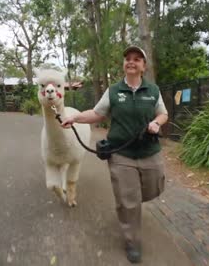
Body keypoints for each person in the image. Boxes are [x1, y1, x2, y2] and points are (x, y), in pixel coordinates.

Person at [61, 46, 168, 264]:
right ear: (124, 64)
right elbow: (97, 113)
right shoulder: (113, 91)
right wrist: (75, 118)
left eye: (137, 59)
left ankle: (133, 202)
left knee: (155, 185)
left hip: (150, 151)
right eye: (128, 59)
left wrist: (157, 122)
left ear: (143, 66)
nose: (131, 62)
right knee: (128, 201)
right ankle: (132, 241)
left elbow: (163, 113)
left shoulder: (153, 91)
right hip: (121, 153)